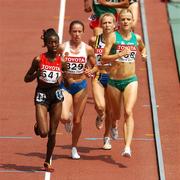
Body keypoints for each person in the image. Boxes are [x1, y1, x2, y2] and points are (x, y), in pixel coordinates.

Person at [101, 9, 147, 158]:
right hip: (114, 81)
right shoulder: (113, 37)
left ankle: (127, 147)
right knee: (116, 114)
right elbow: (104, 58)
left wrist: (144, 54)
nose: (126, 22)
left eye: (128, 19)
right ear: (119, 22)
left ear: (132, 21)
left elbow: (143, 47)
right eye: (123, 19)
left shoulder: (137, 38)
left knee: (128, 111)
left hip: (130, 80)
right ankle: (114, 124)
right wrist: (119, 54)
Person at [24, 28, 64, 171]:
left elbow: (68, 76)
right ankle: (38, 126)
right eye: (51, 42)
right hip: (42, 94)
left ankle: (47, 161)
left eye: (56, 42)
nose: (54, 45)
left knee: (53, 133)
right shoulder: (38, 59)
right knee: (44, 133)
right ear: (46, 44)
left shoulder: (62, 60)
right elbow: (26, 78)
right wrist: (36, 75)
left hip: (56, 96)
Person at [58, 20, 96, 159]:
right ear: (69, 32)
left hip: (81, 86)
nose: (77, 34)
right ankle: (67, 120)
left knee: (78, 120)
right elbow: (54, 62)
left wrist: (90, 72)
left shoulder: (87, 49)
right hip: (66, 86)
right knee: (63, 116)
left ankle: (74, 148)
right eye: (74, 31)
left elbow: (95, 66)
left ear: (83, 32)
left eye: (79, 31)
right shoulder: (62, 48)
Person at [88, 13, 116, 150]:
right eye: (104, 23)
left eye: (110, 23)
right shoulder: (94, 40)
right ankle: (100, 115)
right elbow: (90, 54)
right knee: (100, 107)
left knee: (111, 110)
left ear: (114, 24)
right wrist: (93, 67)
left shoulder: (119, 40)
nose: (107, 25)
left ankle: (106, 138)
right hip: (99, 76)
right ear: (100, 25)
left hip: (114, 78)